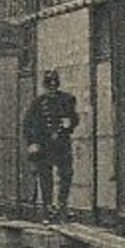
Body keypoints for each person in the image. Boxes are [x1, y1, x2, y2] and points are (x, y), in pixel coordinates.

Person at [25, 70, 79, 220]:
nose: (52, 87)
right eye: (49, 85)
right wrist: (32, 143)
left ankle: (62, 205)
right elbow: (28, 124)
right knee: (45, 176)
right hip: (44, 145)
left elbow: (74, 118)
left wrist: (70, 123)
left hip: (62, 144)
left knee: (66, 174)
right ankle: (48, 207)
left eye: (55, 84)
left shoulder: (67, 99)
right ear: (45, 86)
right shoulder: (37, 103)